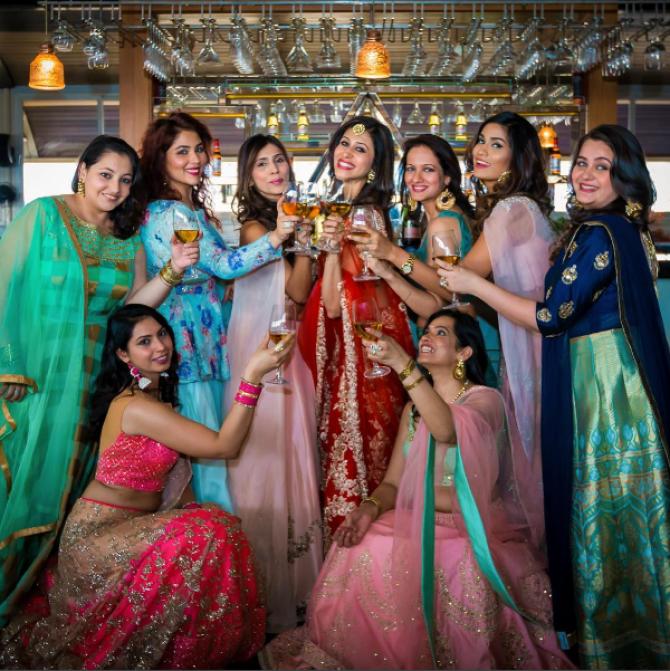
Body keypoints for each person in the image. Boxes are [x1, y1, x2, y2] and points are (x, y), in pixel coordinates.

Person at [437, 124, 670, 668]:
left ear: (624, 177)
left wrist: (473, 285)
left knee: (605, 507)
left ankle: (619, 641)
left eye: (602, 166)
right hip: (614, 377)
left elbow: (550, 316)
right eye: (581, 163)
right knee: (625, 512)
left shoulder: (601, 235)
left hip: (607, 389)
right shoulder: (615, 229)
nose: (586, 174)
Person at [263, 309, 574, 670]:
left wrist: (402, 364)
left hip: (467, 524)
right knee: (362, 543)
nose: (426, 336)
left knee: (450, 556)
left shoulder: (486, 401)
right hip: (415, 515)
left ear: (464, 352)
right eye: (426, 331)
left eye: (440, 333)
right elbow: (393, 483)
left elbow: (447, 431)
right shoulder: (413, 409)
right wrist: (368, 508)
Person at [0, 303, 295, 668]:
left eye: (162, 334)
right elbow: (224, 446)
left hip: (136, 528)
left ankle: (192, 654)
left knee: (216, 528)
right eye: (144, 341)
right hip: (98, 537)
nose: (160, 346)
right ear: (123, 355)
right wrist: (251, 378)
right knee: (211, 532)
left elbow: (176, 480)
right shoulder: (134, 406)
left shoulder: (157, 401)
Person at [0, 135, 197, 626]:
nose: (114, 188)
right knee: (26, 483)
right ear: (83, 170)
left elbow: (131, 309)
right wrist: (7, 364)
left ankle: (43, 598)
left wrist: (173, 270)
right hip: (36, 381)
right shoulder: (43, 216)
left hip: (92, 385)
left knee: (71, 488)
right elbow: (4, 286)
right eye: (105, 175)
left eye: (125, 180)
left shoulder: (126, 237)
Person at [139, 113, 295, 512]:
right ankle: (214, 540)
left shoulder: (190, 209)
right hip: (187, 346)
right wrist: (277, 235)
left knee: (206, 456)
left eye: (199, 149)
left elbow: (214, 275)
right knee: (206, 457)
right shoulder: (170, 212)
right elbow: (224, 266)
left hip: (203, 343)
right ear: (161, 158)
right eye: (182, 152)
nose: (195, 159)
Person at [220, 134, 322, 632]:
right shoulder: (257, 227)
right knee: (263, 456)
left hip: (289, 349)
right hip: (261, 348)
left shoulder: (294, 221)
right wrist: (305, 242)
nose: (275, 169)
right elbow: (297, 291)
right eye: (262, 164)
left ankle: (297, 587)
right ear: (249, 176)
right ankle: (260, 589)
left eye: (279, 160)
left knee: (292, 450)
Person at [298, 116, 415, 542]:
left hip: (358, 364)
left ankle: (358, 558)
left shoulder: (363, 217)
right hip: (343, 353)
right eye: (344, 143)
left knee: (356, 451)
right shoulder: (340, 209)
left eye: (360, 149)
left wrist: (330, 250)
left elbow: (337, 304)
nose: (346, 153)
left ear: (375, 164)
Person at [356, 133, 499, 381]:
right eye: (411, 169)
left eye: (428, 169)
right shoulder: (436, 218)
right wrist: (388, 272)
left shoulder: (443, 223)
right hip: (455, 343)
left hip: (464, 348)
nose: (416, 178)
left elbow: (446, 295)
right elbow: (435, 300)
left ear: (447, 177)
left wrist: (393, 254)